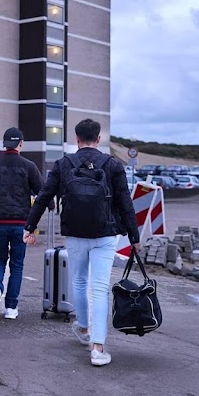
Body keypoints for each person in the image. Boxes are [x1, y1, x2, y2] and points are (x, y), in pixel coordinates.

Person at [23, 119, 140, 367]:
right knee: (99, 288)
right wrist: (134, 237)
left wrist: (30, 227)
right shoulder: (112, 165)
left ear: (76, 139)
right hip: (106, 234)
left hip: (75, 233)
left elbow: (43, 197)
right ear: (99, 139)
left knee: (79, 280)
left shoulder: (64, 164)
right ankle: (98, 348)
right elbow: (125, 203)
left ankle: (85, 330)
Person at [0, 127, 43, 320]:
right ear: (20, 143)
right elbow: (42, 193)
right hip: (21, 223)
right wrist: (50, 206)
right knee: (17, 265)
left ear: (4, 143)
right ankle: (11, 308)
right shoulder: (29, 166)